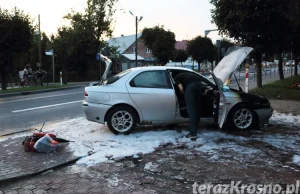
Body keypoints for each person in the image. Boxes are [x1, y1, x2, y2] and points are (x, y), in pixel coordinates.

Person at [174, 72, 204, 141]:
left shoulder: (176, 78)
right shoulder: (187, 74)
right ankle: (196, 126)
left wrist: (185, 94)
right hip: (199, 85)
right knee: (197, 108)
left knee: (191, 110)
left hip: (191, 87)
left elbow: (181, 88)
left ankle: (193, 134)